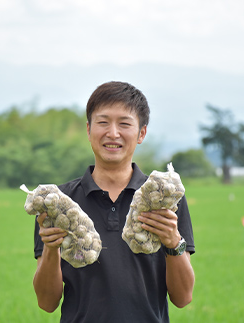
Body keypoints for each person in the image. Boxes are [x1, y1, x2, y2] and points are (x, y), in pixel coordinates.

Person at [33, 81, 195, 322]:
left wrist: (174, 241)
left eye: (124, 124)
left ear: (141, 133)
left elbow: (182, 298)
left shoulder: (165, 200)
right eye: (103, 122)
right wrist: (50, 249)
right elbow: (47, 303)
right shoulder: (58, 204)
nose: (113, 133)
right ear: (88, 129)